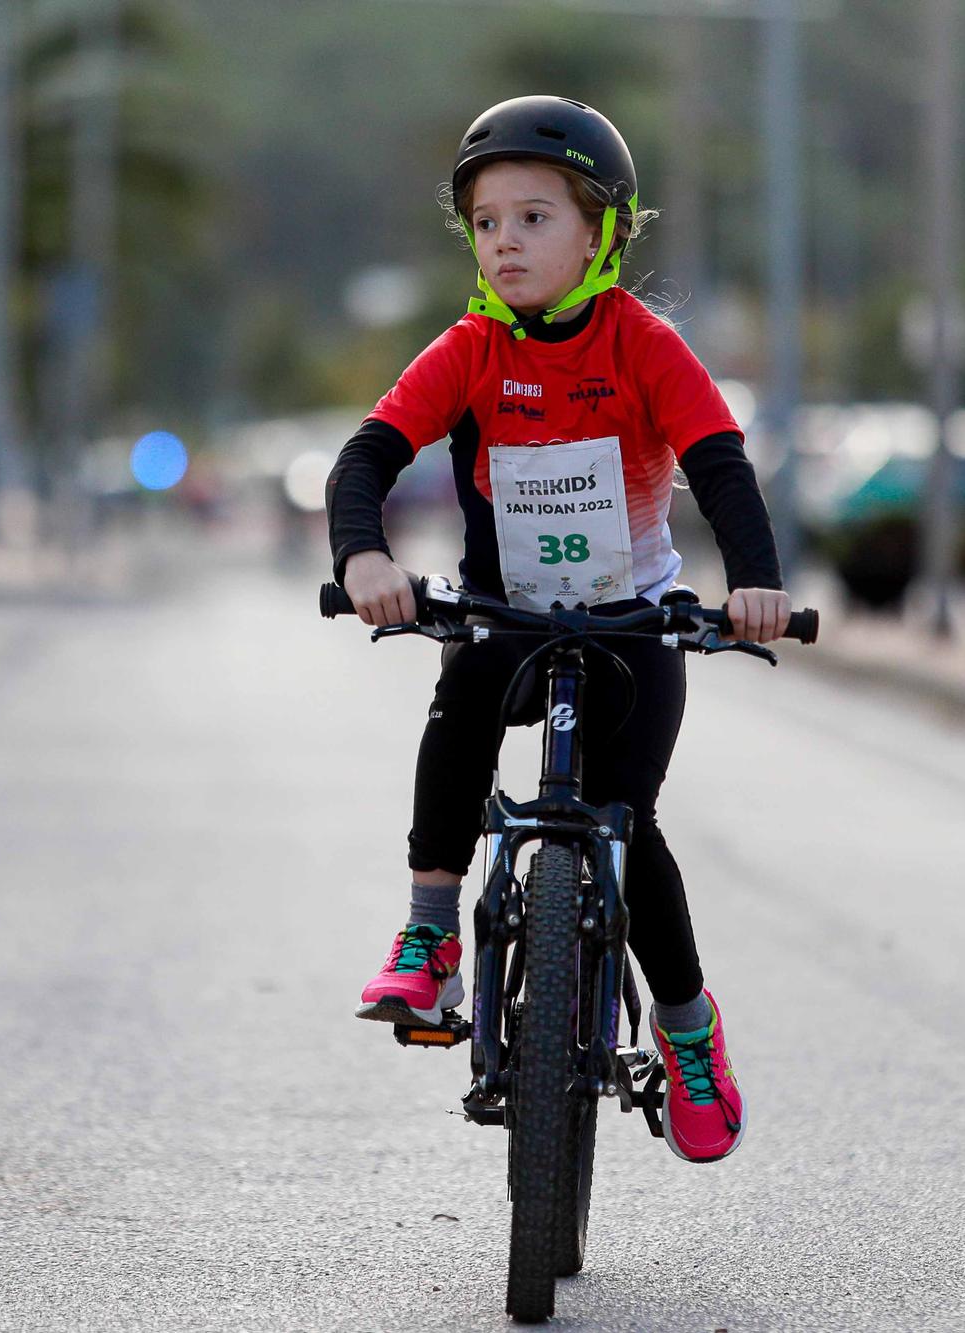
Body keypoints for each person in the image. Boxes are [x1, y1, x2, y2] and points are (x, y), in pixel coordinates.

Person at [326, 97, 790, 1165]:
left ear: (601, 234)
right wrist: (364, 557)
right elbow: (366, 456)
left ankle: (687, 1032)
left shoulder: (642, 345)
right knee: (457, 709)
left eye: (533, 218)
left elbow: (719, 466)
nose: (505, 244)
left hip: (629, 628)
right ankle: (431, 930)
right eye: (486, 224)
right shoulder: (473, 347)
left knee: (633, 828)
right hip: (508, 618)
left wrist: (755, 583)